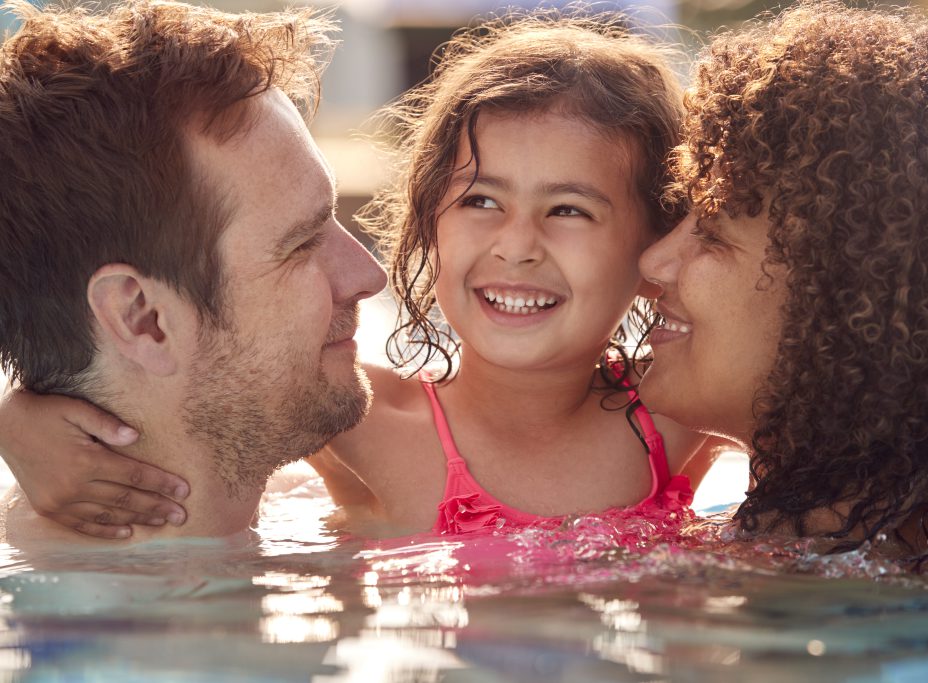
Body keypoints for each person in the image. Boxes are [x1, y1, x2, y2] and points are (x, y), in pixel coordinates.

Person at [0, 12, 718, 537]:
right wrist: (20, 423)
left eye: (569, 209)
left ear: (654, 248)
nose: (517, 245)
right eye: (481, 201)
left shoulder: (681, 415)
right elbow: (230, 398)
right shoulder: (375, 425)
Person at [638, 0, 928, 572]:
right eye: (679, 216)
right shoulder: (920, 542)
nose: (652, 261)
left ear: (847, 303)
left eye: (714, 234)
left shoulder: (823, 573)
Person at [0, 0, 386, 543]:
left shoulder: (321, 500)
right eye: (300, 245)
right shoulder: (65, 617)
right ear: (142, 318)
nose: (371, 276)